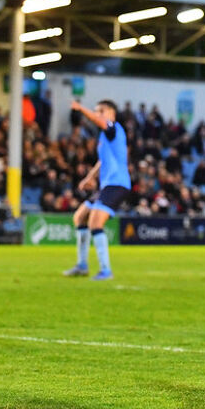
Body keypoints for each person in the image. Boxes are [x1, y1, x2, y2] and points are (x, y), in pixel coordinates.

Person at [63, 100, 130, 281]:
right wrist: (90, 177)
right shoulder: (105, 137)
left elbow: (99, 121)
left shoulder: (114, 128)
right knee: (80, 217)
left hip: (117, 184)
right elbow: (103, 161)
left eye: (101, 111)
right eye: (96, 111)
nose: (98, 114)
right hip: (107, 184)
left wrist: (81, 108)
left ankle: (106, 271)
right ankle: (82, 266)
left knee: (95, 223)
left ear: (111, 112)